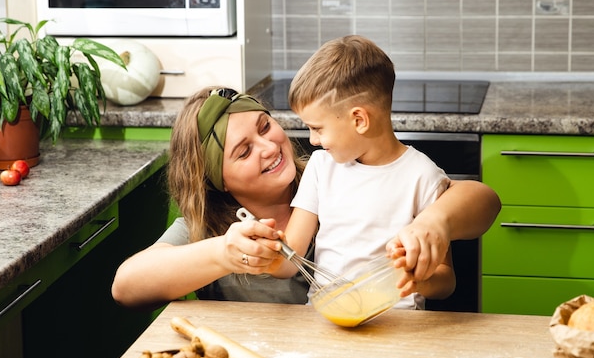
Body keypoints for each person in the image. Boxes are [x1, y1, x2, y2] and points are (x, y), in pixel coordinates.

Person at [111, 84, 501, 311]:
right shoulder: (212, 229)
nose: (268, 146)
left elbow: (479, 198)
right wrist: (222, 254)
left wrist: (436, 221)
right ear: (218, 181)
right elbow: (126, 287)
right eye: (244, 152)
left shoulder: (339, 176)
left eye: (265, 126)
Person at [263, 35, 472, 308]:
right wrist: (267, 254)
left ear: (359, 120)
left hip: (398, 324)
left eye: (318, 128)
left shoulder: (423, 176)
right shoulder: (320, 167)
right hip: (324, 319)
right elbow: (290, 262)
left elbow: (446, 280)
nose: (312, 140)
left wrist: (420, 281)